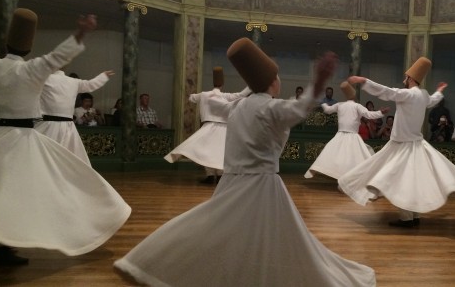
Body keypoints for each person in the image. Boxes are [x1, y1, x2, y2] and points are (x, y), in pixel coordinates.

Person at [114, 38, 375, 286]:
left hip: (231, 183)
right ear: (272, 82)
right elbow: (299, 108)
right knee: (272, 238)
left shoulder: (239, 107)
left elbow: (229, 104)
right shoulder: (268, 107)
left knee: (218, 232)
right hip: (261, 187)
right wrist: (319, 80)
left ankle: (154, 262)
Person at [0, 9, 130, 266]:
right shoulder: (32, 70)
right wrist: (82, 32)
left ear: (7, 42)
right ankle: (3, 245)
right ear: (29, 49)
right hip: (20, 139)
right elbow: (57, 57)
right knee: (16, 194)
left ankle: (0, 245)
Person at [339, 57, 455, 227]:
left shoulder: (406, 94)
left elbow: (386, 91)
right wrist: (440, 91)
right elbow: (433, 100)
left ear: (410, 78)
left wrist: (363, 81)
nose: (403, 80)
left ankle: (407, 218)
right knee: (410, 180)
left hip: (402, 145)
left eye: (405, 77)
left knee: (401, 181)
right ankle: (413, 216)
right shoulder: (423, 95)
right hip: (415, 144)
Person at [164, 67, 250, 184]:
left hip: (209, 127)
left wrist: (196, 95)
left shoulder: (204, 94)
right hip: (222, 128)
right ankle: (219, 175)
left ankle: (210, 175)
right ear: (222, 85)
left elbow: (191, 98)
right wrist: (252, 84)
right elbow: (242, 94)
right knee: (219, 152)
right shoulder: (225, 96)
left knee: (206, 151)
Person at [305, 81, 388, 180]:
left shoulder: (340, 105)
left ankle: (342, 176)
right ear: (354, 95)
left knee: (335, 155)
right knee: (353, 157)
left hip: (341, 136)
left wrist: (323, 104)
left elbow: (328, 110)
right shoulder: (356, 106)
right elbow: (369, 115)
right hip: (352, 136)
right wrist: (380, 113)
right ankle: (348, 177)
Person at [36, 69, 114, 164]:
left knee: (44, 157)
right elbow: (91, 84)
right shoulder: (73, 81)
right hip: (67, 127)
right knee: (69, 158)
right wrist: (103, 77)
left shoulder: (44, 78)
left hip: (48, 124)